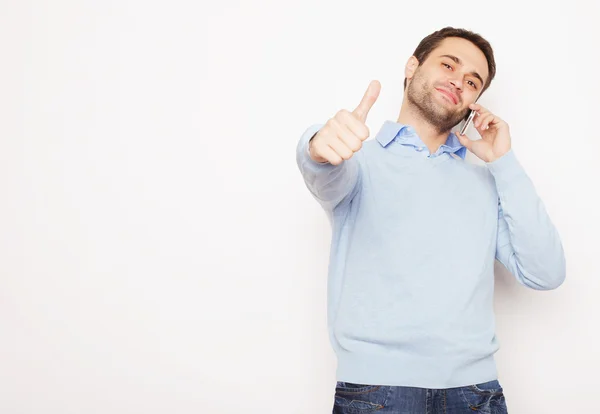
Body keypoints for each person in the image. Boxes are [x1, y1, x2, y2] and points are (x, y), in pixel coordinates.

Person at [295, 26, 566, 413]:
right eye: (448, 64)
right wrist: (317, 145)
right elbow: (323, 168)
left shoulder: (487, 182)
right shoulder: (360, 162)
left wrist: (503, 163)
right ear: (412, 67)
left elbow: (545, 272)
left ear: (475, 102)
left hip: (476, 394)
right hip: (376, 392)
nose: (458, 81)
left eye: (472, 81)